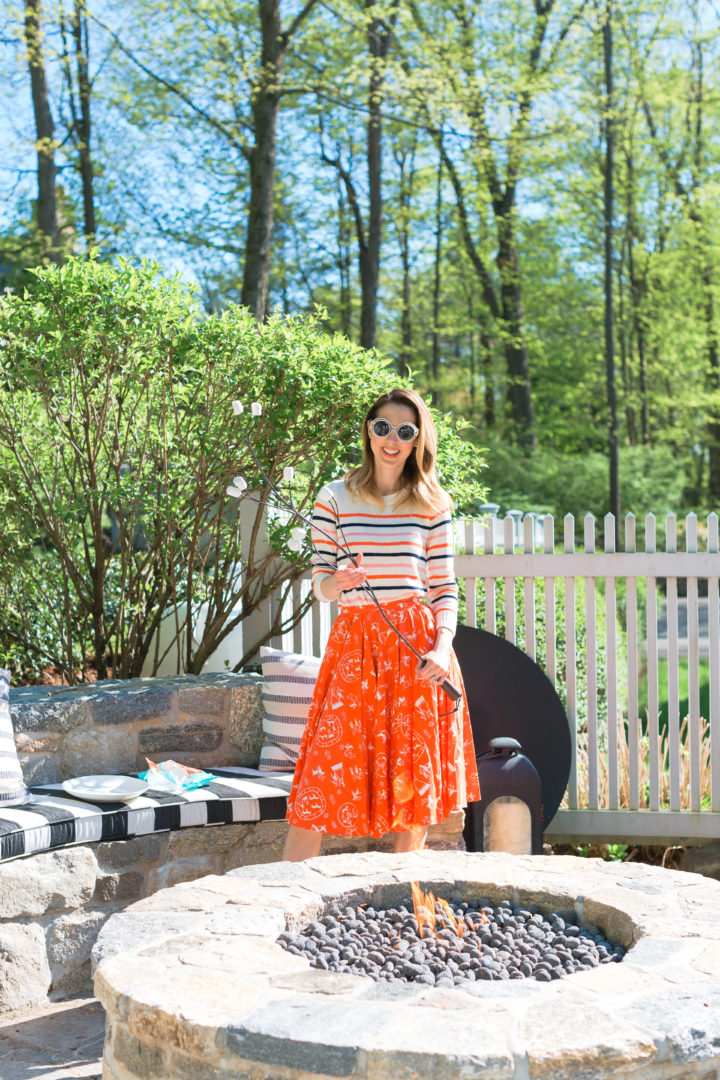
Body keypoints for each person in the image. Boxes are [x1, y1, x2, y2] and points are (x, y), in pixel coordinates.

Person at [283, 388, 480, 861]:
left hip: (417, 649)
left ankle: (402, 896)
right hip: (356, 647)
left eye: (405, 431)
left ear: (417, 442)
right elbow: (320, 584)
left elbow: (444, 587)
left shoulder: (432, 502)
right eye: (383, 427)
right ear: (369, 431)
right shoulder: (334, 496)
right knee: (322, 779)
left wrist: (441, 647)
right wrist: (340, 582)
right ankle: (279, 894)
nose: (392, 439)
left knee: (411, 785)